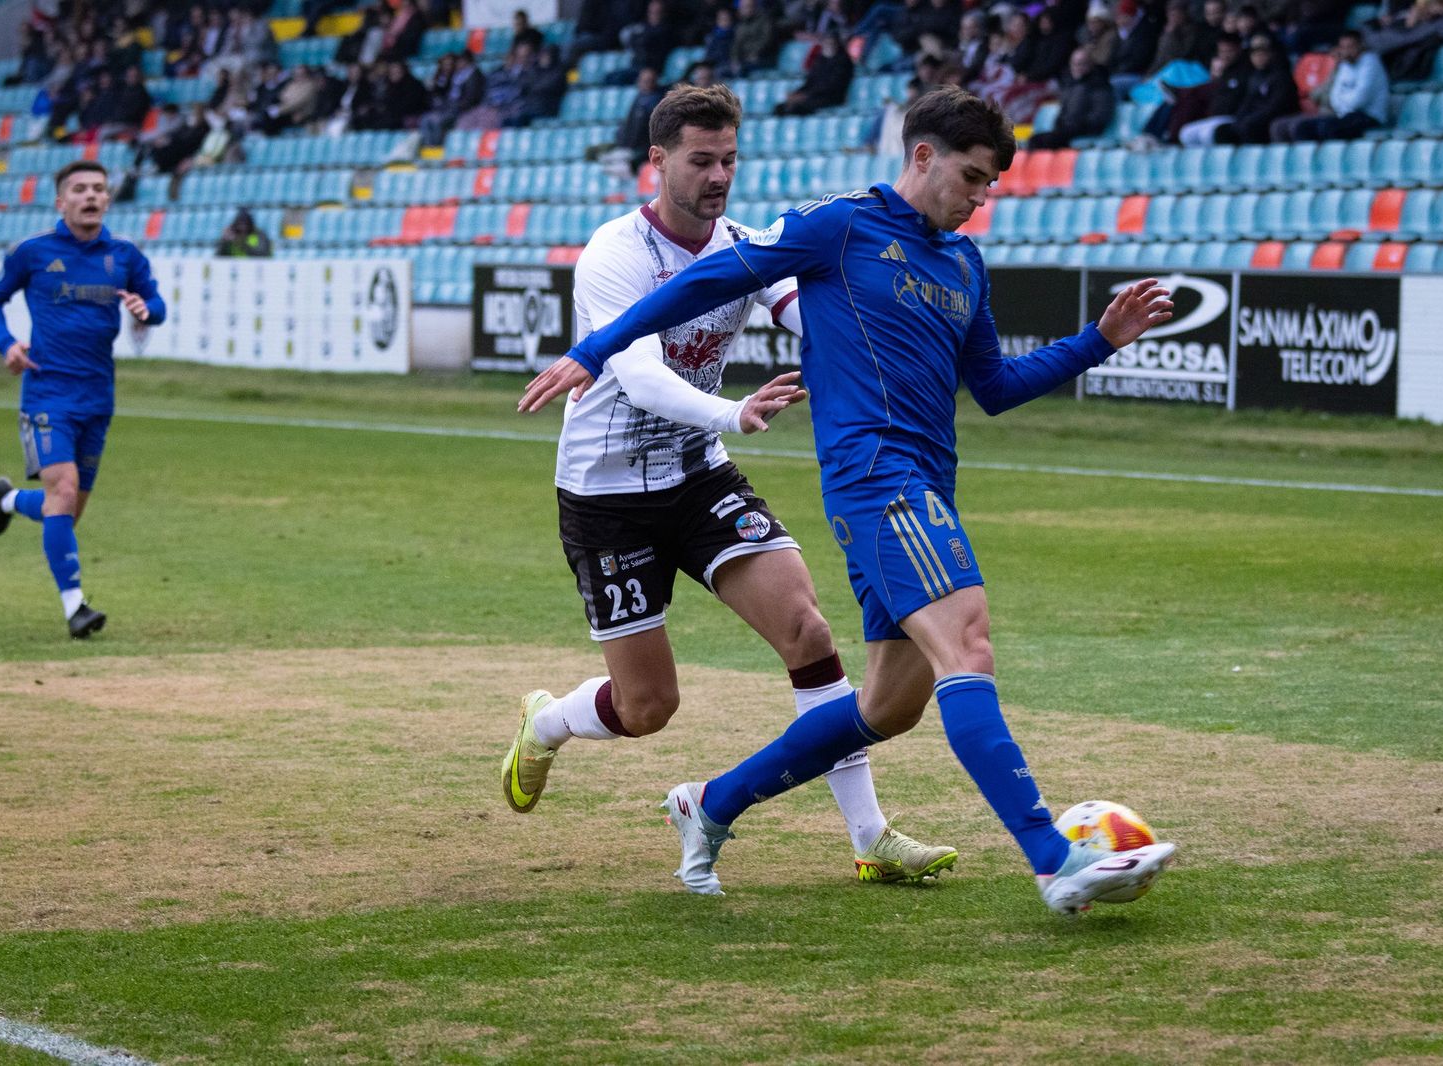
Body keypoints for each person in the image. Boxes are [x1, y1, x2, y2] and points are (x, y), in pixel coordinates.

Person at [518, 87, 1179, 915]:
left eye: (991, 186)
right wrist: (597, 346)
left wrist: (1099, 343)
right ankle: (1053, 857)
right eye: (971, 178)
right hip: (875, 478)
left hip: (924, 483)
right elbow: (711, 280)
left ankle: (710, 804)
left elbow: (998, 387)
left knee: (886, 706)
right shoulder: (839, 225)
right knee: (966, 648)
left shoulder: (962, 264)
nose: (981, 199)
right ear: (923, 157)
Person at [501, 84, 960, 888]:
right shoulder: (615, 253)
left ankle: (871, 835)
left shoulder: (745, 243)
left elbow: (807, 311)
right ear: (658, 161)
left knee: (810, 635)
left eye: (730, 160)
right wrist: (732, 411)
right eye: (701, 160)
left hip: (697, 476)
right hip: (606, 495)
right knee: (648, 709)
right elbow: (637, 373)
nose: (718, 176)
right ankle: (549, 722)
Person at [0, 160, 166, 639]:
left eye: (99, 189)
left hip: (98, 397)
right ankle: (76, 608)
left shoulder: (124, 254)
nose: (90, 196)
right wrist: (7, 344)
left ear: (108, 200)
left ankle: (11, 500)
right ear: (61, 201)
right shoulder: (33, 251)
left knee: (67, 510)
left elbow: (157, 303)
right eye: (80, 189)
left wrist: (149, 310)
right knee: (63, 492)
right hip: (46, 392)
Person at [1269, 30, 1389, 142]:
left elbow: (1359, 101)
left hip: (1370, 116)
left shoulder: (1370, 63)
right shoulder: (1345, 64)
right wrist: (1344, 103)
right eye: (1343, 47)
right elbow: (1334, 96)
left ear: (1361, 46)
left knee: (1328, 128)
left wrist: (1343, 102)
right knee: (1303, 128)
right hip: (1344, 115)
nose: (1346, 51)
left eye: (1350, 46)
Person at [1027, 47, 1115, 149]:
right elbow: (1063, 111)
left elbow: (1100, 116)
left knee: (1045, 141)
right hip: (1067, 129)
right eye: (1074, 64)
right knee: (1035, 140)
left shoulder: (1099, 85)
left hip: (1085, 131)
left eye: (1082, 63)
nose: (1077, 67)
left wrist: (1079, 125)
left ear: (1091, 64)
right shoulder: (1070, 85)